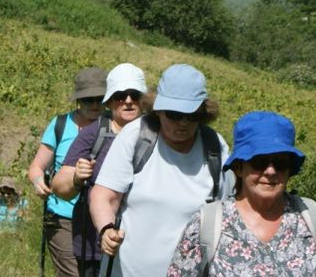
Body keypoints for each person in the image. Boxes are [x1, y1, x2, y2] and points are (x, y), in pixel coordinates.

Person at [90, 64, 233, 277]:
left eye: (192, 115)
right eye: (174, 114)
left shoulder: (214, 146)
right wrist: (106, 230)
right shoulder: (136, 137)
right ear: (158, 110)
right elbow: (104, 195)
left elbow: (229, 209)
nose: (183, 122)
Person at [167, 111, 316, 276]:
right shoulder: (207, 224)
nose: (270, 171)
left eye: (280, 162)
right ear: (239, 167)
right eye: (259, 162)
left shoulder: (311, 217)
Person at [52, 63, 148, 277]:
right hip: (94, 245)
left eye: (134, 95)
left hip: (143, 246)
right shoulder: (93, 133)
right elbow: (59, 185)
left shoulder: (157, 133)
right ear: (110, 100)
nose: (128, 101)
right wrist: (76, 178)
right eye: (121, 96)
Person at [28, 66, 107, 277]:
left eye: (99, 99)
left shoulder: (115, 126)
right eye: (87, 100)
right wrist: (38, 183)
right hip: (63, 217)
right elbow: (37, 166)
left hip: (99, 217)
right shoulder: (61, 125)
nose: (94, 105)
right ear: (78, 101)